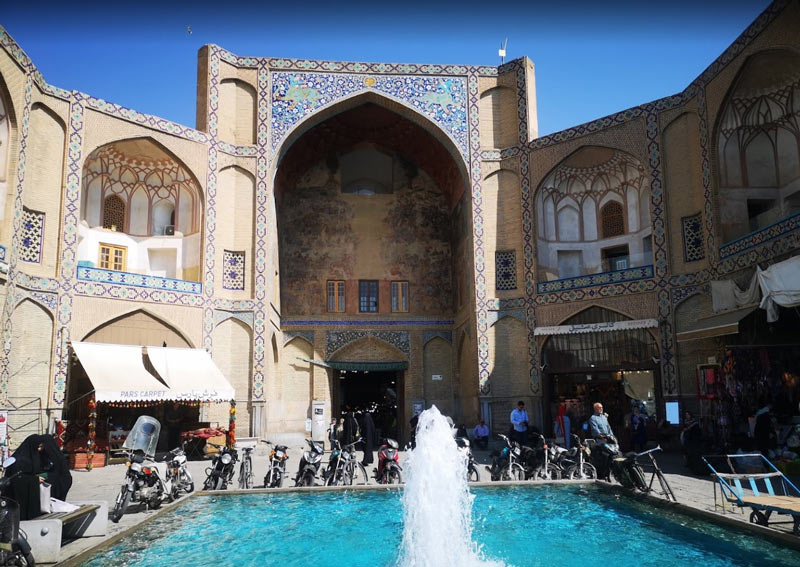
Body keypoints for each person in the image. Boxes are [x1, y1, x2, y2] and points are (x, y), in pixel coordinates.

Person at [4, 434, 72, 520]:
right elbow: (16, 480)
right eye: (38, 447)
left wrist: (43, 477)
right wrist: (34, 480)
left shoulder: (33, 458)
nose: (39, 450)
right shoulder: (19, 461)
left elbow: (34, 473)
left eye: (41, 447)